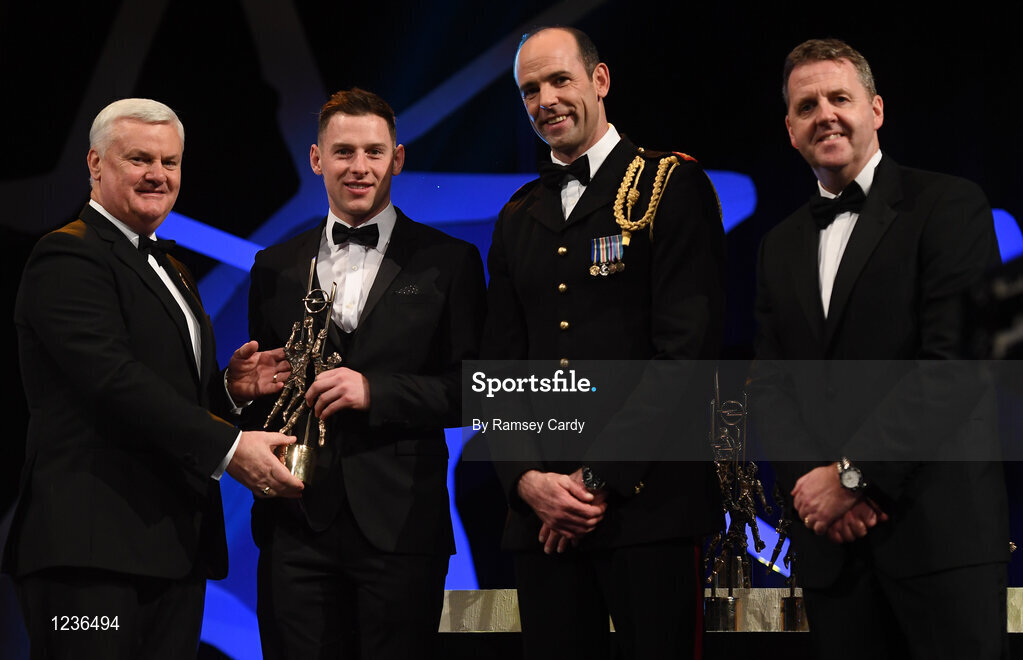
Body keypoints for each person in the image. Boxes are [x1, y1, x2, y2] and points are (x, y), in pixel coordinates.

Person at [4, 98, 304, 659]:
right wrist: (232, 447)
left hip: (170, 549)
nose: (157, 175)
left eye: (170, 162)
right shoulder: (67, 256)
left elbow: (161, 389)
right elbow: (112, 381)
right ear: (95, 164)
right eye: (139, 159)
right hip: (90, 553)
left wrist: (228, 394)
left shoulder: (171, 267)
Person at [753, 39, 1010, 658]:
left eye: (840, 98)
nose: (825, 114)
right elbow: (768, 385)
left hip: (939, 544)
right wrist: (817, 495)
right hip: (832, 556)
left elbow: (956, 366)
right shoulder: (778, 245)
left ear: (876, 110)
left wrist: (854, 477)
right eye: (806, 105)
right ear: (790, 129)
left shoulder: (950, 206)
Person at [481, 26, 725, 659]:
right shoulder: (516, 216)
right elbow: (499, 368)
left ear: (600, 80)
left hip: (650, 512)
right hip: (542, 522)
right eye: (530, 89)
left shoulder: (670, 186)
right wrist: (528, 481)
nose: (546, 100)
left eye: (560, 80)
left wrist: (594, 479)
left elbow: (685, 357)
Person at [247, 88, 486, 659]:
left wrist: (375, 391)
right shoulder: (274, 266)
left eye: (375, 152)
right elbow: (267, 394)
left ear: (397, 159)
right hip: (294, 524)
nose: (360, 167)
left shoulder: (449, 261)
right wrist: (238, 393)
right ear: (316, 158)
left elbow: (478, 391)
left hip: (402, 527)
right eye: (344, 151)